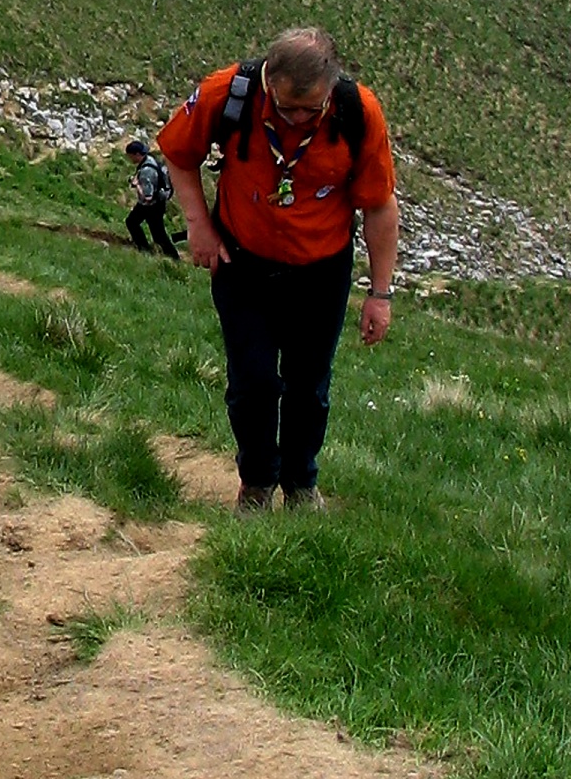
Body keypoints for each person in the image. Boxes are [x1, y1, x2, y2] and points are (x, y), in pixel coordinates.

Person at [157, 27, 397, 517]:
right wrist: (198, 225)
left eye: (309, 110)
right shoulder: (229, 93)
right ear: (268, 80)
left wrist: (380, 293)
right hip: (243, 264)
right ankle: (257, 482)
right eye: (284, 107)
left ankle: (301, 483)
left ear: (330, 90)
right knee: (253, 382)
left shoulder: (359, 113)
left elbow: (378, 206)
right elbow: (179, 153)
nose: (295, 120)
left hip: (321, 272)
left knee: (310, 385)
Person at [124, 140, 180, 259]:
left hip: (151, 206)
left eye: (130, 156)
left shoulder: (146, 172)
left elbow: (147, 197)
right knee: (157, 233)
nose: (129, 159)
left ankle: (145, 249)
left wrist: (136, 184)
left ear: (137, 154)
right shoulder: (151, 160)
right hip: (159, 202)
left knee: (133, 222)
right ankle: (172, 256)